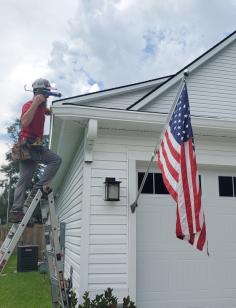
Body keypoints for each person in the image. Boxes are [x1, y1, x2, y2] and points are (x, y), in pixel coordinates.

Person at [9, 78, 62, 223]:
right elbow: (24, 123)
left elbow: (48, 112)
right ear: (38, 92)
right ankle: (37, 190)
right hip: (28, 145)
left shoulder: (41, 107)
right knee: (55, 160)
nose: (47, 97)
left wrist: (56, 109)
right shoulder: (29, 105)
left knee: (24, 179)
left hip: (33, 146)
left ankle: (17, 210)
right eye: (46, 94)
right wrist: (35, 103)